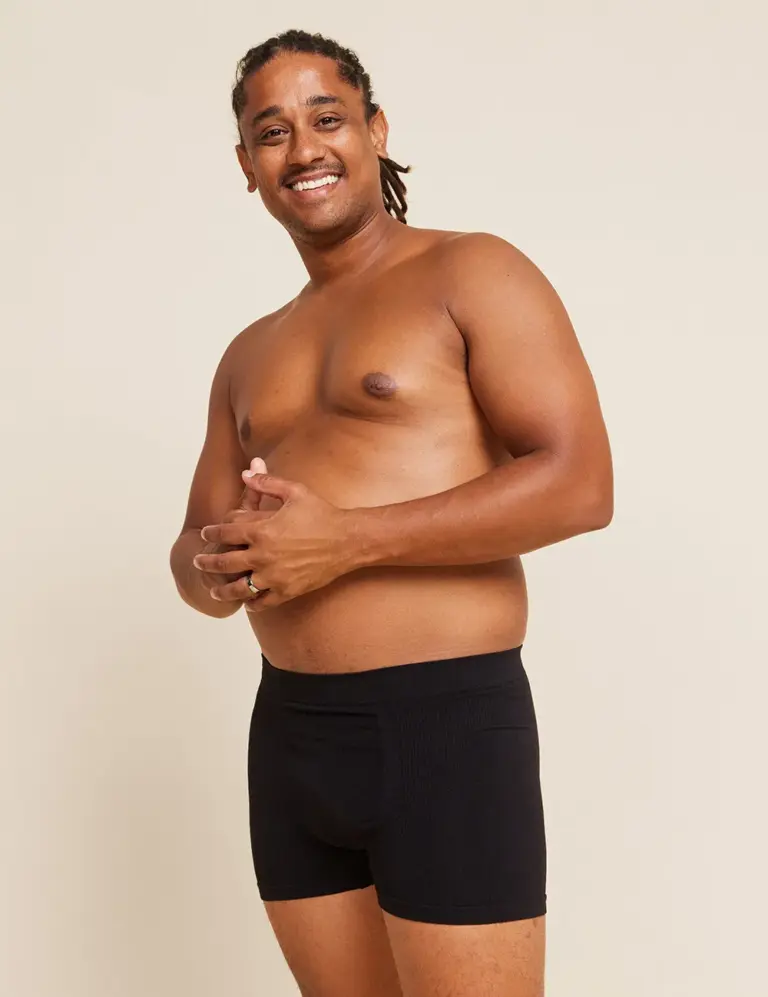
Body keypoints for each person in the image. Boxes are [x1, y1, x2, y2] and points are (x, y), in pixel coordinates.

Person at [169, 28, 613, 997]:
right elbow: (194, 558)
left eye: (327, 118)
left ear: (375, 130)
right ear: (247, 166)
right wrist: (222, 564)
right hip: (291, 735)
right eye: (273, 132)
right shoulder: (249, 351)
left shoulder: (473, 271)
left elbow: (581, 483)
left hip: (443, 726)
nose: (304, 148)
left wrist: (346, 542)